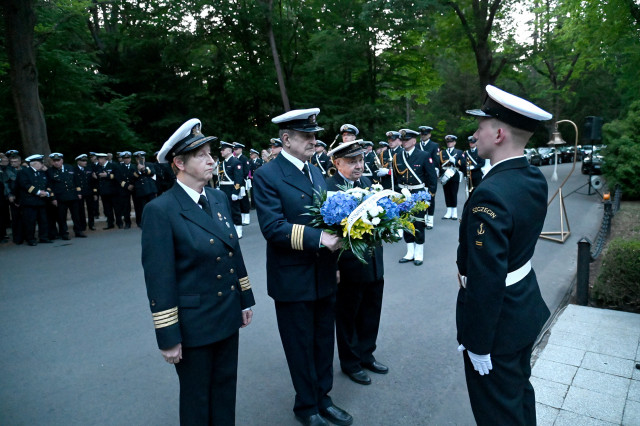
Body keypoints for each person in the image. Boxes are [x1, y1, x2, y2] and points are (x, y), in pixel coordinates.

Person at [142, 118, 255, 426]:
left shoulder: (217, 198)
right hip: (194, 324)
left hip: (226, 313)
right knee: (197, 397)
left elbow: (232, 252)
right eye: (202, 155)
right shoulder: (161, 210)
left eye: (211, 152)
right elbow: (159, 278)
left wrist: (245, 299)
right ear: (179, 163)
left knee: (225, 388)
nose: (212, 160)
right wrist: (168, 336)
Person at [456, 85, 552, 425]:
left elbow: (486, 278)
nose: (475, 133)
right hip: (522, 306)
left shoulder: (491, 194)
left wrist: (478, 343)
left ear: (498, 133)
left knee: (497, 412)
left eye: (480, 126)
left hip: (498, 323)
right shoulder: (531, 177)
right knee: (518, 396)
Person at [253, 108, 352, 426]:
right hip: (292, 277)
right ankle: (307, 406)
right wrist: (319, 239)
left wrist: (334, 259)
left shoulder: (316, 171)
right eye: (307, 136)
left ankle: (324, 398)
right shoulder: (268, 175)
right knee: (300, 345)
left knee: (324, 341)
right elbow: (273, 227)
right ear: (286, 139)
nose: (314, 140)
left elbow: (327, 216)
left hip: (322, 272)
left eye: (314, 134)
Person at [325, 140, 388, 387]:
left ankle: (366, 354)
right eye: (352, 162)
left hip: (372, 262)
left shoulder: (366, 185)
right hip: (348, 264)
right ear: (337, 163)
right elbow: (328, 232)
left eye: (361, 160)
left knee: (371, 311)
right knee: (348, 314)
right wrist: (335, 267)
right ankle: (350, 362)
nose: (359, 166)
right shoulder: (329, 189)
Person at [394, 129, 437, 266]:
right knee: (405, 223)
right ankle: (409, 252)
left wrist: (429, 196)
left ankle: (419, 253)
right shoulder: (397, 156)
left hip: (418, 194)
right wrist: (399, 192)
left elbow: (432, 178)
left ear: (414, 141)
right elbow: (395, 178)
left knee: (418, 224)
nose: (404, 142)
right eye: (403, 140)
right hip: (403, 195)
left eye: (407, 140)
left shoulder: (424, 155)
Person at [46, 153, 86, 239]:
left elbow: (76, 181)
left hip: (73, 196)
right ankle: (64, 233)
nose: (56, 163)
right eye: (54, 161)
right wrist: (53, 198)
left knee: (76, 215)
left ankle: (78, 231)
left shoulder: (70, 167)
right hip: (60, 198)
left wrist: (79, 192)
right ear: (52, 162)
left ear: (62, 160)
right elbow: (50, 186)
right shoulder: (50, 171)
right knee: (61, 217)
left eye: (58, 160)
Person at [16, 155, 52, 246]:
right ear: (35, 163)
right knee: (30, 221)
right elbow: (25, 185)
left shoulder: (42, 173)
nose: (42, 164)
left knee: (43, 220)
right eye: (41, 163)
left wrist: (47, 192)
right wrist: (38, 192)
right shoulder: (24, 172)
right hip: (30, 201)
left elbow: (48, 183)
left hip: (42, 201)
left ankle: (43, 237)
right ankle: (31, 239)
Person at [218, 141, 244, 238]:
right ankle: (231, 228)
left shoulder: (236, 162)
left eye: (223, 149)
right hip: (223, 188)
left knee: (235, 209)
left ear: (229, 150)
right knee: (225, 209)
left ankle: (239, 228)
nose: (221, 151)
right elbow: (220, 177)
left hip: (231, 189)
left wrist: (235, 192)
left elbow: (238, 178)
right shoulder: (222, 163)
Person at [417, 126, 441, 229]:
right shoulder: (417, 145)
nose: (423, 136)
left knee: (431, 197)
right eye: (422, 134)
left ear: (429, 135)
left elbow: (436, 160)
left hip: (430, 174)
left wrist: (435, 171)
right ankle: (423, 218)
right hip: (420, 175)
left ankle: (430, 219)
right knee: (421, 197)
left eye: (425, 134)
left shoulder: (434, 145)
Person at [439, 135, 465, 220]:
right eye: (448, 142)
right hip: (445, 174)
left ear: (454, 142)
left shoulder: (459, 152)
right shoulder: (442, 153)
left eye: (451, 142)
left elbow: (463, 163)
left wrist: (455, 161)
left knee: (453, 193)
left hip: (454, 174)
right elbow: (439, 164)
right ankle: (448, 211)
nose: (449, 143)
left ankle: (454, 212)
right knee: (446, 193)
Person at [131, 151, 158, 227]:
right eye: (138, 159)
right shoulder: (133, 167)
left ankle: (154, 221)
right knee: (141, 208)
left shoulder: (149, 164)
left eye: (142, 158)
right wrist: (139, 171)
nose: (140, 160)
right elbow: (132, 178)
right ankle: (142, 222)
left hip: (150, 189)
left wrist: (144, 169)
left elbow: (153, 172)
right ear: (136, 159)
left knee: (152, 206)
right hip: (140, 191)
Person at [95, 153, 119, 229]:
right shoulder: (98, 167)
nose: (98, 161)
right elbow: (97, 177)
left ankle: (119, 223)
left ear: (103, 159)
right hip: (104, 191)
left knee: (116, 208)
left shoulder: (113, 165)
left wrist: (107, 175)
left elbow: (118, 176)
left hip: (113, 191)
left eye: (99, 159)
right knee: (107, 209)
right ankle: (110, 223)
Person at [74, 154, 96, 231]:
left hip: (89, 191)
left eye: (85, 161)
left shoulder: (89, 168)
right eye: (83, 161)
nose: (85, 162)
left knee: (91, 209)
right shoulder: (74, 170)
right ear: (78, 162)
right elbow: (75, 182)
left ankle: (91, 224)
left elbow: (93, 182)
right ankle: (83, 225)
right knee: (81, 210)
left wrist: (95, 192)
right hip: (80, 192)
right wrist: (78, 192)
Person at [232, 143, 251, 225]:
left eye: (236, 149)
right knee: (239, 200)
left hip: (242, 181)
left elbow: (246, 171)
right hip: (236, 181)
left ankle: (247, 216)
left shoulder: (244, 158)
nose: (235, 151)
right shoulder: (235, 158)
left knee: (244, 199)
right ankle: (242, 216)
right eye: (234, 149)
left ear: (241, 149)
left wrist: (240, 178)